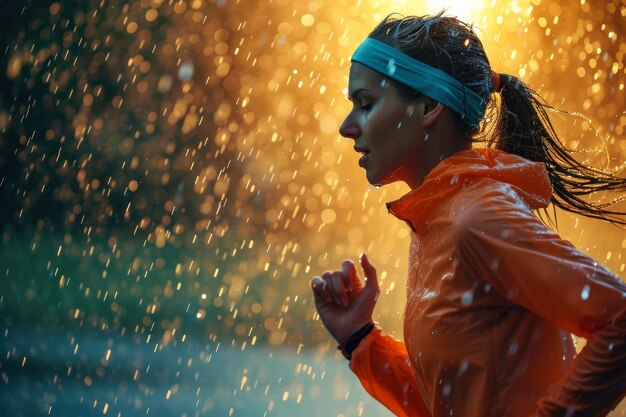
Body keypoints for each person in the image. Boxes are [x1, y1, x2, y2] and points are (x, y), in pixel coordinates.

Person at [310, 11, 626, 417]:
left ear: (427, 107)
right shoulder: (439, 217)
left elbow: (619, 318)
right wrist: (359, 340)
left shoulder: (477, 218)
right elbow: (448, 404)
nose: (346, 126)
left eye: (366, 104)